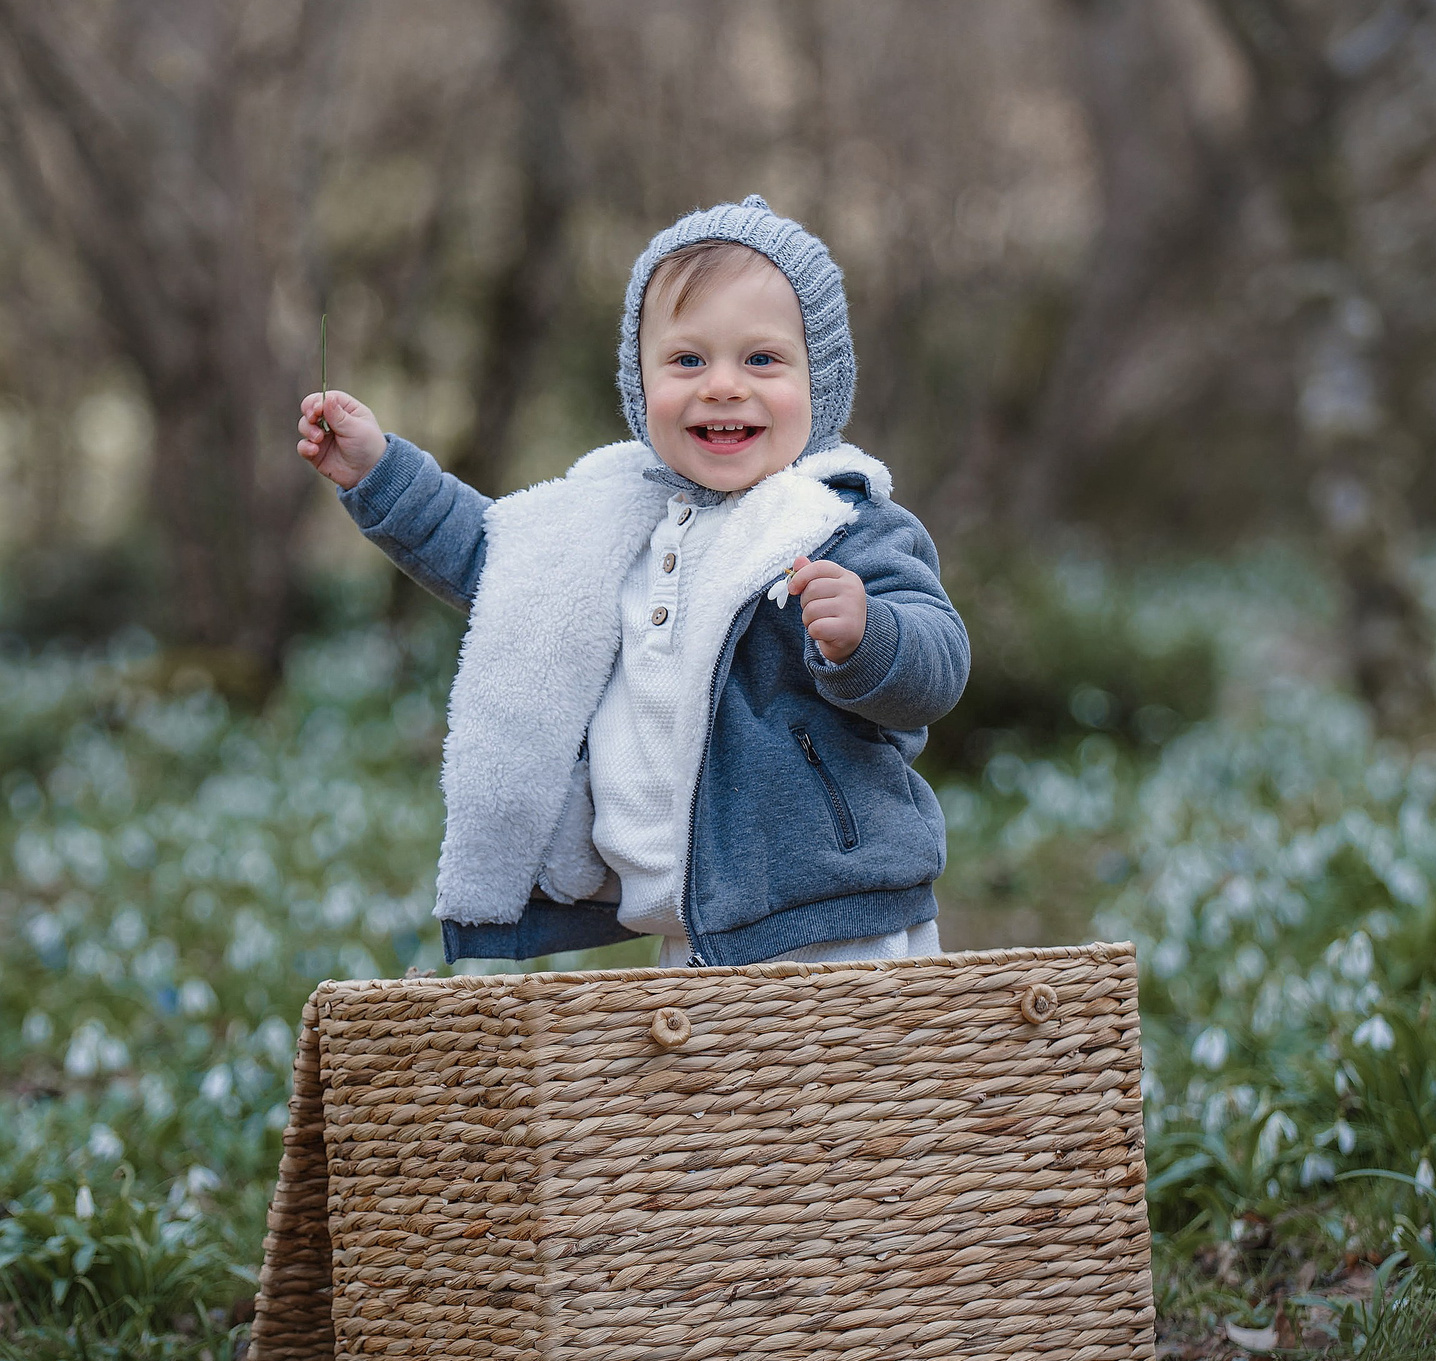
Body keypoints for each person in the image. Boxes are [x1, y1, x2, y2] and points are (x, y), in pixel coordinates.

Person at [297, 195, 968, 968]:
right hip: (694, 923)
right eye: (687, 360)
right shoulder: (620, 519)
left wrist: (868, 636)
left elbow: (938, 660)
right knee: (713, 1095)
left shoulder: (836, 520)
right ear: (638, 382)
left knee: (849, 1093)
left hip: (833, 912)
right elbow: (500, 563)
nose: (722, 386)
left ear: (820, 379)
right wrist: (379, 473)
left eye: (761, 359)